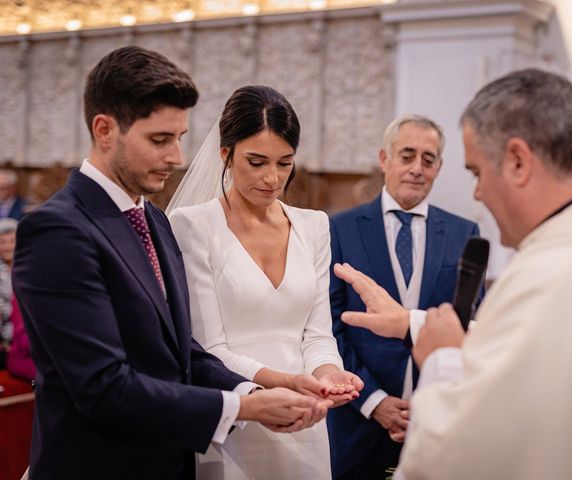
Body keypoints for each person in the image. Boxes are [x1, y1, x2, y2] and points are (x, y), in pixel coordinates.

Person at [12, 46, 331, 480]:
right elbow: (103, 387)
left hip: (169, 461)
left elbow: (185, 355)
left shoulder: (155, 221)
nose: (177, 157)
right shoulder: (57, 230)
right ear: (105, 129)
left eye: (179, 138)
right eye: (160, 140)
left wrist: (263, 388)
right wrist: (245, 405)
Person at [333, 68, 572, 480]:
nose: (477, 193)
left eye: (477, 172)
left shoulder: (549, 275)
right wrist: (413, 324)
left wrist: (441, 360)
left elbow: (458, 454)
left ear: (517, 161)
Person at [168, 85, 364, 480]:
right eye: (256, 162)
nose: (272, 178)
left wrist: (328, 375)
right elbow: (208, 348)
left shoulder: (314, 225)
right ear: (225, 154)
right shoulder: (192, 225)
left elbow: (317, 333)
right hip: (236, 411)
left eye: (285, 163)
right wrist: (284, 383)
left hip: (307, 415)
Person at [327, 114, 480, 479]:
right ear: (385, 159)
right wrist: (375, 402)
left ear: (439, 168)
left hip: (437, 420)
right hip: (358, 421)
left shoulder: (464, 233)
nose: (417, 168)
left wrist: (436, 402)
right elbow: (328, 326)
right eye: (406, 155)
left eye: (428, 160)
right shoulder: (338, 228)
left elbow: (472, 325)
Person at [0, 218, 16, 367]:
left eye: (12, 241)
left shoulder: (29, 267)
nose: (8, 246)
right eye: (3, 242)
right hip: (5, 339)